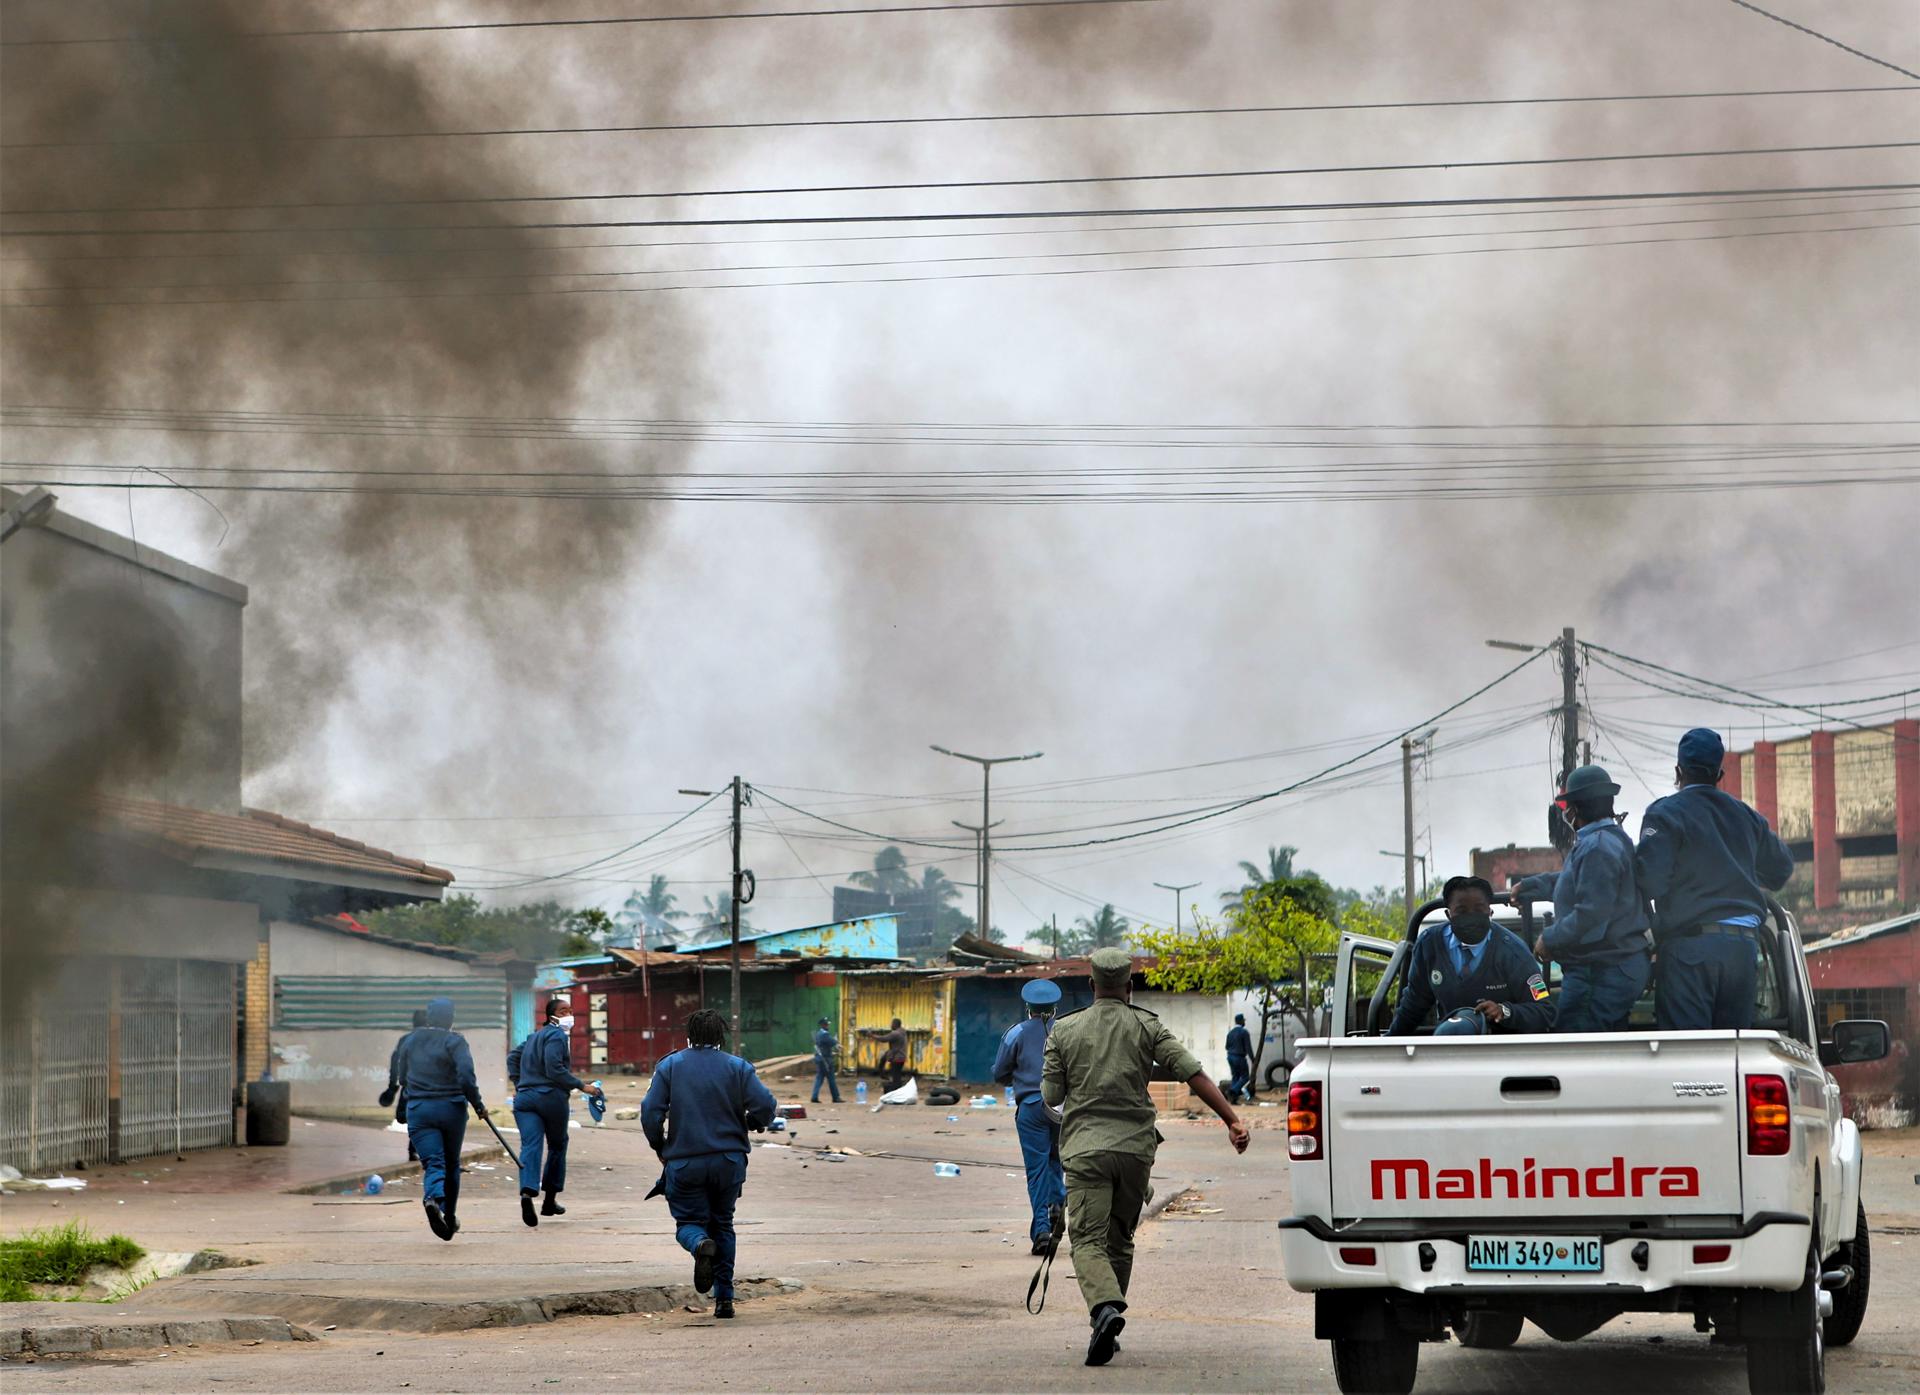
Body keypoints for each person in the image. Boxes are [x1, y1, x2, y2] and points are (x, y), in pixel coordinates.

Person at [1042, 947, 1250, 1367]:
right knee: (1120, 1238)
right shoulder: (1147, 1026)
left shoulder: (1065, 1030)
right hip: (1136, 1151)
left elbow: (1052, 1096)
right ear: (1130, 988)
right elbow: (1195, 1074)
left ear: (1091, 985)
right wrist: (1232, 1120)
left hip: (1086, 1150)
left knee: (1086, 1238)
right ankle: (1108, 1321)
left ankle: (1102, 1309)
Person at [1635, 728, 1795, 1030]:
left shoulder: (1665, 814)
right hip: (1743, 953)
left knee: (1688, 1055)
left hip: (1690, 951)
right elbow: (1782, 869)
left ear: (1678, 771)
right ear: (1719, 773)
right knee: (1732, 1052)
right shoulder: (1748, 817)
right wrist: (1738, 870)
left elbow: (1650, 881)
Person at [641, 1008, 777, 1320]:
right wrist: (753, 1121)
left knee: (688, 1224)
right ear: (721, 1037)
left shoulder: (670, 1066)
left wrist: (659, 1145)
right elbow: (766, 1106)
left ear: (688, 1036)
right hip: (729, 1161)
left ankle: (699, 1244)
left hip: (685, 1161)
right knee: (724, 1224)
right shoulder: (738, 1067)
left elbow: (650, 1111)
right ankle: (725, 1300)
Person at [1510, 766, 1653, 1034]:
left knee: (1579, 1047)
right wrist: (1531, 886)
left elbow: (1592, 913)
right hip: (1608, 968)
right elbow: (1573, 881)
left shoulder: (1597, 846)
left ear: (1573, 809)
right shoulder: (1607, 841)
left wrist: (1549, 938)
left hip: (1601, 972)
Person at [1387, 876, 1553, 1036]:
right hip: (1450, 1045)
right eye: (1462, 911)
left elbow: (1544, 1010)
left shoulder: (1514, 952)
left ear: (1489, 911)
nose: (1471, 916)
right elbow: (1414, 1004)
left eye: (1479, 910)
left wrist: (1504, 1011)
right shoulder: (1429, 944)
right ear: (1448, 914)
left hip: (1502, 1050)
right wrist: (1387, 1046)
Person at [506, 999, 604, 1228]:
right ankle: (549, 1200)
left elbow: (512, 1058)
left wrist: (520, 1084)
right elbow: (554, 1069)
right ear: (552, 1016)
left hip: (525, 1100)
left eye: (571, 1010)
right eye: (563, 1011)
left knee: (530, 1145)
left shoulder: (533, 1037)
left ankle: (527, 1193)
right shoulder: (558, 1036)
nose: (569, 1014)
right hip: (551, 1098)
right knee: (558, 1145)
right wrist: (583, 1086)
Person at [404, 995, 490, 1241]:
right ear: (451, 1018)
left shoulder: (410, 1041)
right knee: (451, 1163)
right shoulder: (456, 1042)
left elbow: (401, 1074)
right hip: (450, 1108)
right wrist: (478, 1104)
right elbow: (466, 1076)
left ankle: (432, 1198)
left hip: (419, 1108)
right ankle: (449, 1216)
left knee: (433, 1162)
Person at [993, 978, 1067, 1255]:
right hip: (1062, 1109)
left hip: (1032, 1107)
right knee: (1056, 1161)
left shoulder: (1016, 1034)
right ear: (1055, 1008)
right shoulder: (1067, 1033)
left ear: (1029, 1008)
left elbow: (1000, 1073)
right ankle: (1058, 1201)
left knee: (1036, 1170)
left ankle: (1042, 1232)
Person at [378, 1008, 428, 1161]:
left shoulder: (405, 1040)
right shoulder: (432, 1041)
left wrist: (393, 1086)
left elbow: (395, 1062)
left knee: (408, 1117)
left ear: (413, 1023)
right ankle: (416, 1149)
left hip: (409, 1086)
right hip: (427, 1087)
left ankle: (415, 1149)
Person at [860, 1018, 910, 1091]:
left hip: (897, 1057)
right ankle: (895, 1087)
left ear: (895, 1024)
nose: (891, 1025)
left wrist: (871, 1035)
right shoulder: (903, 1032)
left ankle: (896, 1091)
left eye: (892, 1024)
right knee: (896, 1075)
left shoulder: (895, 1033)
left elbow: (883, 1039)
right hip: (901, 1057)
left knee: (895, 1077)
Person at [810, 1017, 842, 1104]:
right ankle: (836, 1097)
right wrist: (837, 1044)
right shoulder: (825, 1035)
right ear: (822, 1025)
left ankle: (814, 1096)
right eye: (826, 1024)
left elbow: (824, 1047)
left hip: (820, 1059)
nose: (827, 1026)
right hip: (825, 1061)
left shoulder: (818, 1034)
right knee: (831, 1079)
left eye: (827, 1024)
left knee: (819, 1078)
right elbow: (833, 1043)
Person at [1224, 1014, 1254, 1102]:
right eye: (1244, 1020)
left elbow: (1226, 1046)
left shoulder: (1230, 1033)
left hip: (1230, 1057)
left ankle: (1233, 1099)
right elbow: (1248, 1047)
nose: (1244, 1022)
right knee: (1245, 1077)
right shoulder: (1244, 1032)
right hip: (1239, 1057)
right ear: (1241, 1021)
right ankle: (1232, 1091)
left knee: (1235, 1077)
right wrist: (1253, 1059)